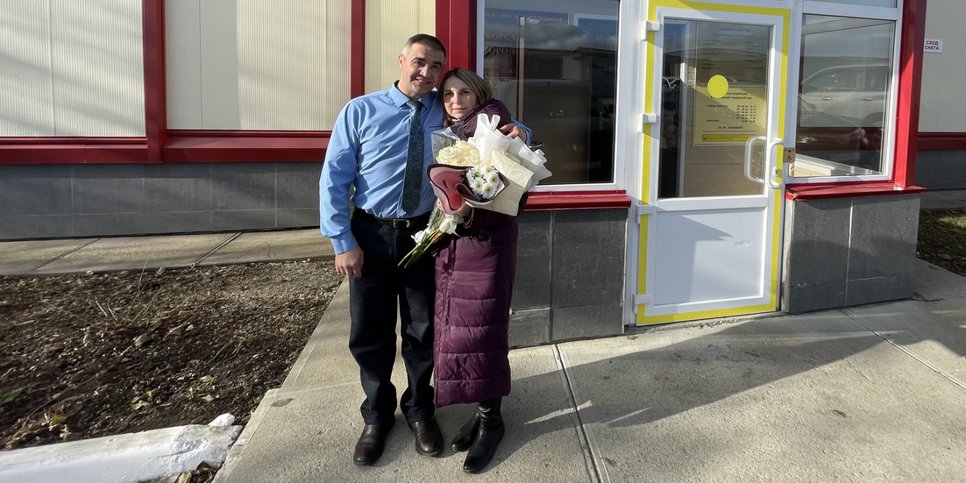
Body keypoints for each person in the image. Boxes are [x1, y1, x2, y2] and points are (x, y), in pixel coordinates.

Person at [319, 36, 527, 467]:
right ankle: (376, 416)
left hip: (427, 234)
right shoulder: (360, 110)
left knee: (422, 331)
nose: (427, 73)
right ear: (401, 61)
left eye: (436, 66)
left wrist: (521, 131)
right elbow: (334, 179)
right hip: (371, 235)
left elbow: (494, 122)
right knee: (370, 333)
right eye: (419, 62)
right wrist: (343, 241)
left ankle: (419, 410)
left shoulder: (445, 107)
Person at [432, 68, 524, 474]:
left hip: (486, 245)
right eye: (448, 94)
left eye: (463, 92)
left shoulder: (495, 127)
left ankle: (493, 420)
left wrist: (464, 210)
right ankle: (481, 408)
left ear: (479, 94)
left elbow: (506, 191)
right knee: (461, 332)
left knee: (483, 331)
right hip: (454, 244)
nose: (455, 100)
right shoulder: (454, 130)